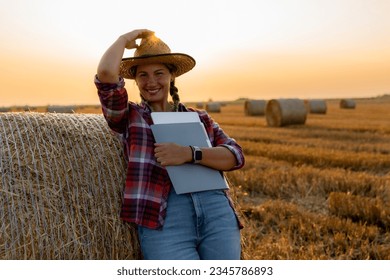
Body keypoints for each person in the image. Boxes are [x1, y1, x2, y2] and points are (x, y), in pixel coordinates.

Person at [94, 29, 245, 260]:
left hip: (216, 211)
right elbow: (105, 74)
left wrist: (189, 154)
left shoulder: (200, 117)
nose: (151, 82)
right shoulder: (130, 117)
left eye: (159, 73)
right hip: (162, 217)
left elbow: (234, 156)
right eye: (142, 75)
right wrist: (124, 40)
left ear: (172, 76)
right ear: (135, 80)